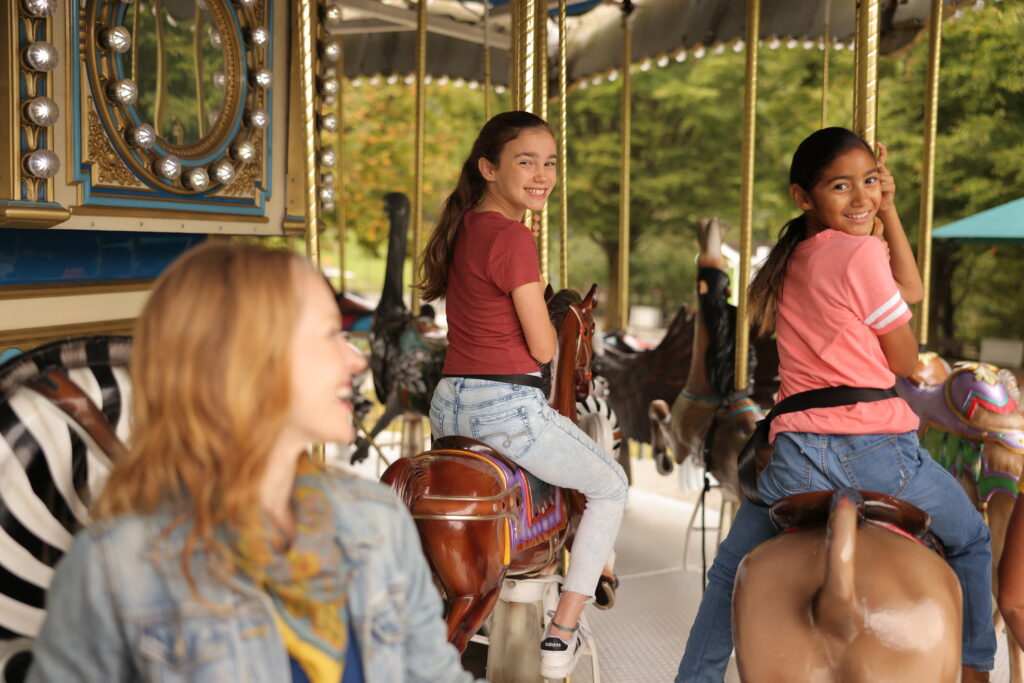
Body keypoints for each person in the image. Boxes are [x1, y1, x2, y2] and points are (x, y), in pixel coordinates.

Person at [27, 242, 479, 683]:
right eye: (329, 335)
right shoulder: (116, 568)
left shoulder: (376, 519)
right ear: (245, 362)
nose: (356, 360)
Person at [676, 127, 996, 682]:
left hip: (795, 461)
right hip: (880, 458)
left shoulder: (790, 258)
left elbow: (908, 289)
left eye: (871, 182)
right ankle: (977, 668)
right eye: (842, 186)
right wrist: (876, 232)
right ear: (805, 196)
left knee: (729, 570)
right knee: (971, 537)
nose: (862, 198)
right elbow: (902, 359)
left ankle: (694, 678)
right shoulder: (861, 254)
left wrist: (887, 212)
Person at [419, 111, 628, 679]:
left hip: (448, 405)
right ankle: (562, 632)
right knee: (610, 485)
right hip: (505, 408)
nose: (542, 175)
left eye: (550, 162)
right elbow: (541, 349)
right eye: (525, 162)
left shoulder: (465, 226)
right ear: (489, 168)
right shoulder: (513, 237)